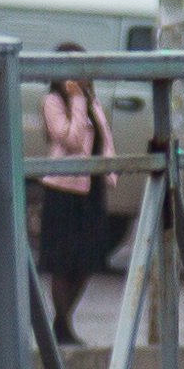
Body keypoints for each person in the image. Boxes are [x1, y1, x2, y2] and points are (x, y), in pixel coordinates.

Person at [33, 50, 120, 350]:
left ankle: (61, 322)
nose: (81, 75)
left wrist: (110, 169)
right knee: (62, 260)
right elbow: (69, 140)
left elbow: (105, 139)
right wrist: (76, 100)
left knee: (88, 259)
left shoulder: (93, 100)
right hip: (63, 187)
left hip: (91, 185)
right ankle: (63, 326)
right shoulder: (53, 102)